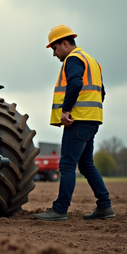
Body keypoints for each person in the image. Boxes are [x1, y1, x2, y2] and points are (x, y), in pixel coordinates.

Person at [33, 25, 114, 221]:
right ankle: (104, 206)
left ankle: (60, 210)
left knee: (67, 165)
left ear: (65, 43)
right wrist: (91, 112)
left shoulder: (73, 59)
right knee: (86, 165)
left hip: (77, 120)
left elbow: (76, 83)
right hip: (92, 120)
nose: (54, 54)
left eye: (54, 48)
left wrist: (66, 110)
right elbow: (101, 92)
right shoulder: (92, 61)